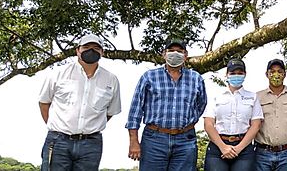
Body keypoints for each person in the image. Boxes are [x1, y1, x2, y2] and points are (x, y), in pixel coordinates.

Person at [38, 34, 121, 171]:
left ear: (102, 52)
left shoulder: (111, 80)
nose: (91, 50)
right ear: (77, 50)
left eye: (96, 48)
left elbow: (110, 112)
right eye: (86, 47)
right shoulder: (59, 73)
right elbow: (44, 102)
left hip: (91, 144)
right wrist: (56, 126)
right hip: (58, 141)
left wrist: (91, 126)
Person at [126, 38, 207, 170]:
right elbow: (135, 110)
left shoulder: (196, 78)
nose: (175, 54)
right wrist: (133, 141)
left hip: (185, 140)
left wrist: (187, 123)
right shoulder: (149, 77)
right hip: (154, 139)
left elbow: (200, 105)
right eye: (171, 50)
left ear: (185, 55)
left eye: (179, 51)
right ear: (164, 54)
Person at [203, 58, 264, 171]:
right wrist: (223, 147)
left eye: (240, 73)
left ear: (245, 74)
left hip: (244, 148)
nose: (236, 76)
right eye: (233, 73)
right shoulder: (216, 95)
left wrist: (238, 148)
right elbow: (208, 124)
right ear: (227, 74)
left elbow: (256, 125)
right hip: (218, 146)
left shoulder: (252, 97)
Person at [254, 58, 287, 171]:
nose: (276, 75)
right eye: (272, 71)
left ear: (284, 74)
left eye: (279, 71)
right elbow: (252, 125)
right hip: (262, 153)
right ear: (267, 74)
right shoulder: (257, 97)